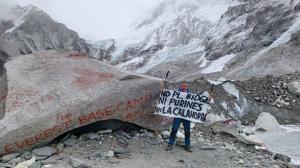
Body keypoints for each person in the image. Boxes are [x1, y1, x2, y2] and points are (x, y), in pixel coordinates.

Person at [165, 81, 192, 152]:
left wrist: (208, 99)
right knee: (174, 130)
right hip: (178, 116)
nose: (183, 87)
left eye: (185, 86)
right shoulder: (176, 94)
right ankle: (170, 144)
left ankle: (187, 145)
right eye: (182, 86)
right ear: (181, 86)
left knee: (187, 131)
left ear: (187, 87)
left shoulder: (191, 95)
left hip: (186, 116)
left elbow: (199, 102)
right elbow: (169, 99)